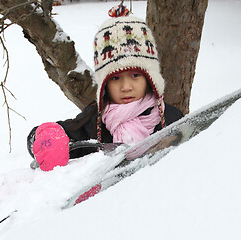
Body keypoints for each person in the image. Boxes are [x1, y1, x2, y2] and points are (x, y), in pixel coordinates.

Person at [27, 10, 184, 172]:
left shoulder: (171, 119)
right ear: (105, 84)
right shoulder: (96, 121)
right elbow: (59, 134)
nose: (126, 87)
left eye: (135, 75)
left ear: (150, 78)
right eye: (115, 78)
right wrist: (47, 137)